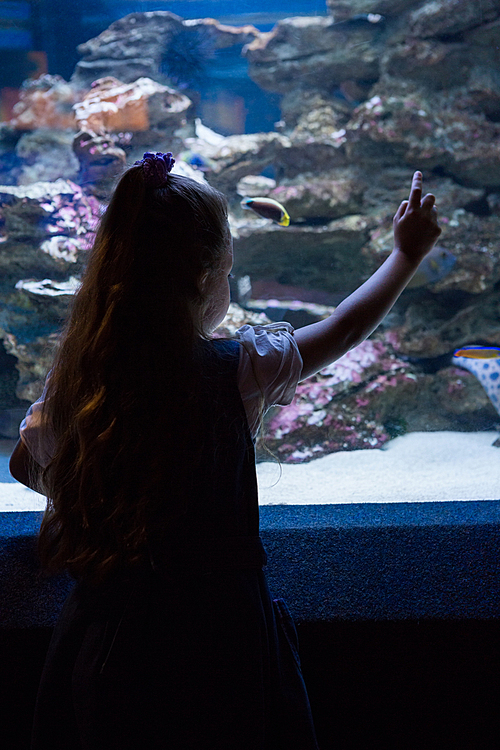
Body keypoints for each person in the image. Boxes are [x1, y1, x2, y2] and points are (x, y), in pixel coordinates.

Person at [10, 154, 441, 750]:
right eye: (228, 271)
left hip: (108, 639)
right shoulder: (235, 372)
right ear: (205, 277)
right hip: (220, 640)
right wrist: (406, 255)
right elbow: (341, 329)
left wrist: (98, 490)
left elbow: (25, 463)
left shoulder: (83, 378)